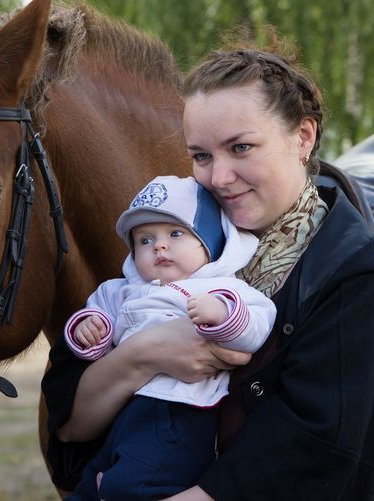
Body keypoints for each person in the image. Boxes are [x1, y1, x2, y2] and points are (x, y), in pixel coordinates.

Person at [42, 38, 374, 501]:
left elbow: (322, 453)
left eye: (241, 147)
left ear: (303, 137)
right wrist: (143, 354)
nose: (218, 177)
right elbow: (68, 429)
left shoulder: (353, 276)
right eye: (202, 155)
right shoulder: (164, 249)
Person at [65, 175, 276, 499]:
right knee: (90, 484)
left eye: (176, 233)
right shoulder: (119, 291)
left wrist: (223, 315)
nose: (159, 246)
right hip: (124, 406)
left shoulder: (222, 287)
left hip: (179, 411)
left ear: (209, 243)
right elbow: (97, 321)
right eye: (145, 240)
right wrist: (89, 330)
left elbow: (259, 324)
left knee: (134, 486)